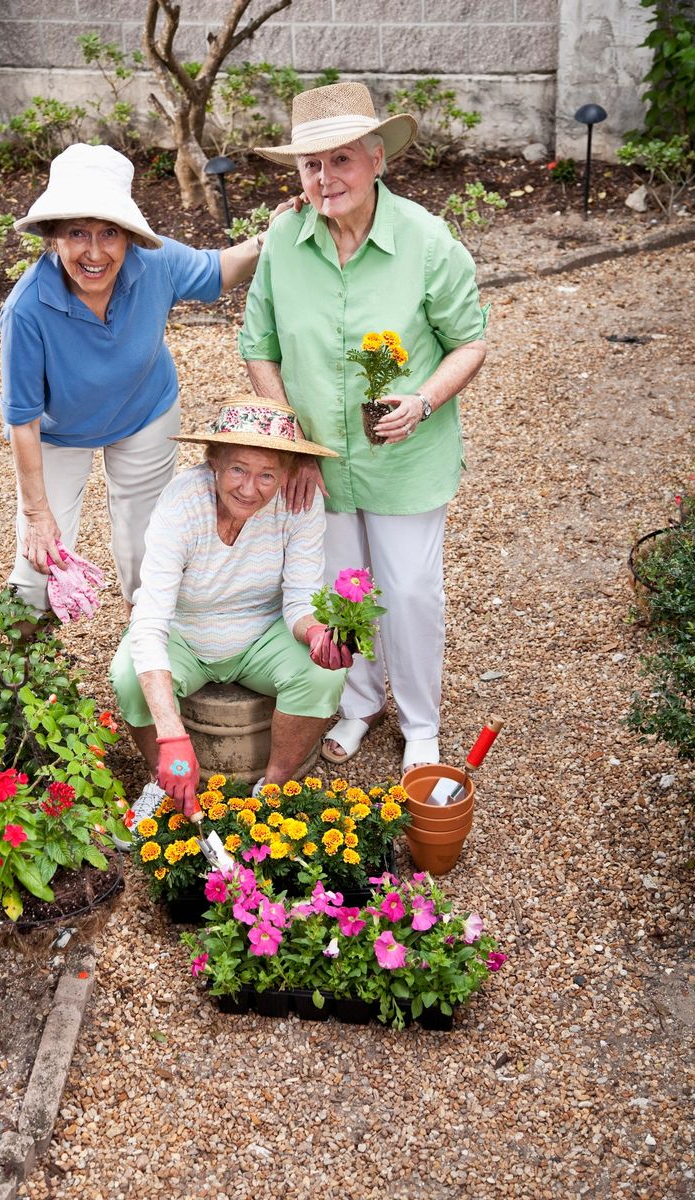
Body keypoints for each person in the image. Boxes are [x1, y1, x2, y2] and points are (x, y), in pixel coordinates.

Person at [238, 82, 488, 774]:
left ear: (378, 160)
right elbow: (258, 344)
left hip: (408, 458)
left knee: (407, 590)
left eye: (341, 160)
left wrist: (424, 400)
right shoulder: (286, 238)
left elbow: (470, 342)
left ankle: (421, 723)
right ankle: (357, 702)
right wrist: (291, 443)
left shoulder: (428, 242)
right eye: (311, 165)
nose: (325, 179)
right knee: (341, 586)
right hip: (318, 462)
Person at [0, 142, 274, 619]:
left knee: (147, 550)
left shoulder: (156, 263)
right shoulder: (26, 311)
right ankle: (25, 670)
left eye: (109, 233)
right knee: (37, 566)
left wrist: (268, 241)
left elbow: (216, 271)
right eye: (77, 232)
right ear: (53, 238)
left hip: (144, 411)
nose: (93, 251)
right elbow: (22, 422)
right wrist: (36, 514)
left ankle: (144, 652)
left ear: (129, 236)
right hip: (59, 431)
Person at [109, 397, 351, 827]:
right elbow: (149, 621)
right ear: (213, 461)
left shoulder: (299, 502)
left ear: (288, 474)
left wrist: (315, 634)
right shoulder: (182, 504)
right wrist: (172, 736)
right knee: (130, 674)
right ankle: (163, 780)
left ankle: (274, 788)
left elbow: (298, 598)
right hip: (186, 631)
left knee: (323, 671)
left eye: (267, 475)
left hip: (263, 631)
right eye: (238, 468)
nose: (248, 487)